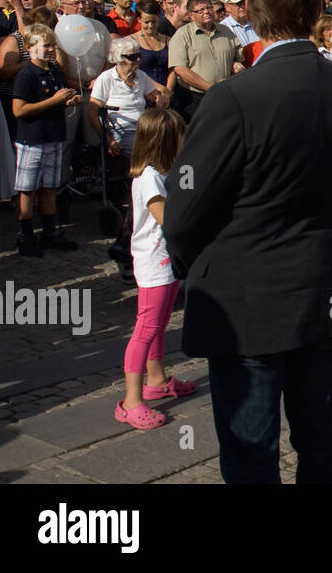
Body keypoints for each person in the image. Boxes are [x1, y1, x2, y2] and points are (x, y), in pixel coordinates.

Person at [164, 0, 332, 484]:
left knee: (252, 448)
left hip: (246, 301)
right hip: (318, 284)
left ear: (254, 13)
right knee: (319, 433)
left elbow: (184, 211)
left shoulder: (235, 96)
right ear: (317, 8)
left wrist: (198, 266)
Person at [117, 108, 196, 431]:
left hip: (165, 261)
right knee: (146, 328)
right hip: (154, 262)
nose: (185, 140)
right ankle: (131, 400)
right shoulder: (148, 177)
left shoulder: (161, 172)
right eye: (180, 135)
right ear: (166, 140)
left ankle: (157, 378)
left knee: (160, 322)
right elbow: (167, 219)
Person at [11, 24, 82, 255]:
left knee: (49, 186)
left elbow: (53, 99)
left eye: (53, 45)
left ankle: (50, 233)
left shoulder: (52, 71)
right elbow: (19, 110)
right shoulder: (27, 74)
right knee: (27, 189)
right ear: (32, 48)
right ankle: (25, 235)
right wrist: (54, 102)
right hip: (32, 139)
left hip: (53, 136)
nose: (52, 50)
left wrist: (67, 101)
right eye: (47, 46)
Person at [88, 36, 171, 157]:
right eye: (132, 57)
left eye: (140, 56)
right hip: (121, 130)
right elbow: (91, 112)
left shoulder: (141, 76)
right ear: (119, 58)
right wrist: (108, 140)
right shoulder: (106, 78)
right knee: (149, 153)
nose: (138, 60)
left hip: (144, 127)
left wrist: (160, 99)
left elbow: (155, 96)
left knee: (173, 140)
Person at [168, 0, 243, 123]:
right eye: (201, 10)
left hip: (226, 94)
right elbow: (180, 69)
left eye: (209, 8)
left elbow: (238, 57)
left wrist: (235, 64)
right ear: (191, 15)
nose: (207, 12)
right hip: (195, 98)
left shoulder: (226, 31)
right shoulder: (182, 35)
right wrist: (210, 88)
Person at [132, 0, 172, 89]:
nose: (150, 26)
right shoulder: (131, 41)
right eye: (146, 22)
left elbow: (173, 68)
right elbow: (134, 70)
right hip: (142, 91)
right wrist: (159, 88)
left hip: (167, 92)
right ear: (139, 19)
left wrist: (168, 89)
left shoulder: (168, 40)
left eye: (154, 21)